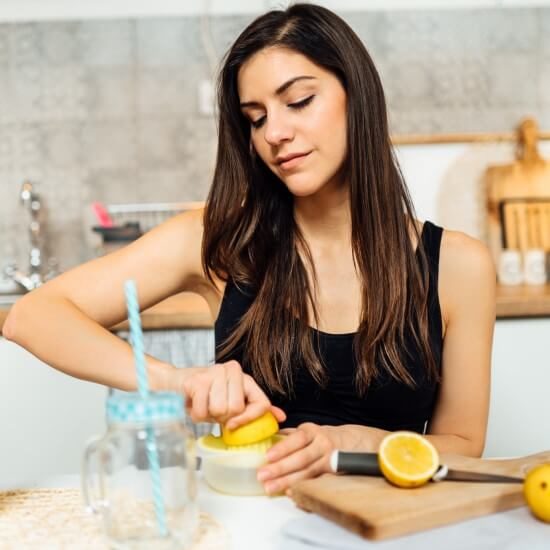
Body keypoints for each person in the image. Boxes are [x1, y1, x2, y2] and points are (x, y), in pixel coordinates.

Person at [2, 3, 496, 496]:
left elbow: (463, 442)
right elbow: (32, 315)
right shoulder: (219, 242)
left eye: (299, 101)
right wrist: (179, 381)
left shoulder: (458, 266)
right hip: (253, 521)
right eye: (255, 119)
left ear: (357, 96)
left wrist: (354, 442)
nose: (274, 133)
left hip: (390, 529)